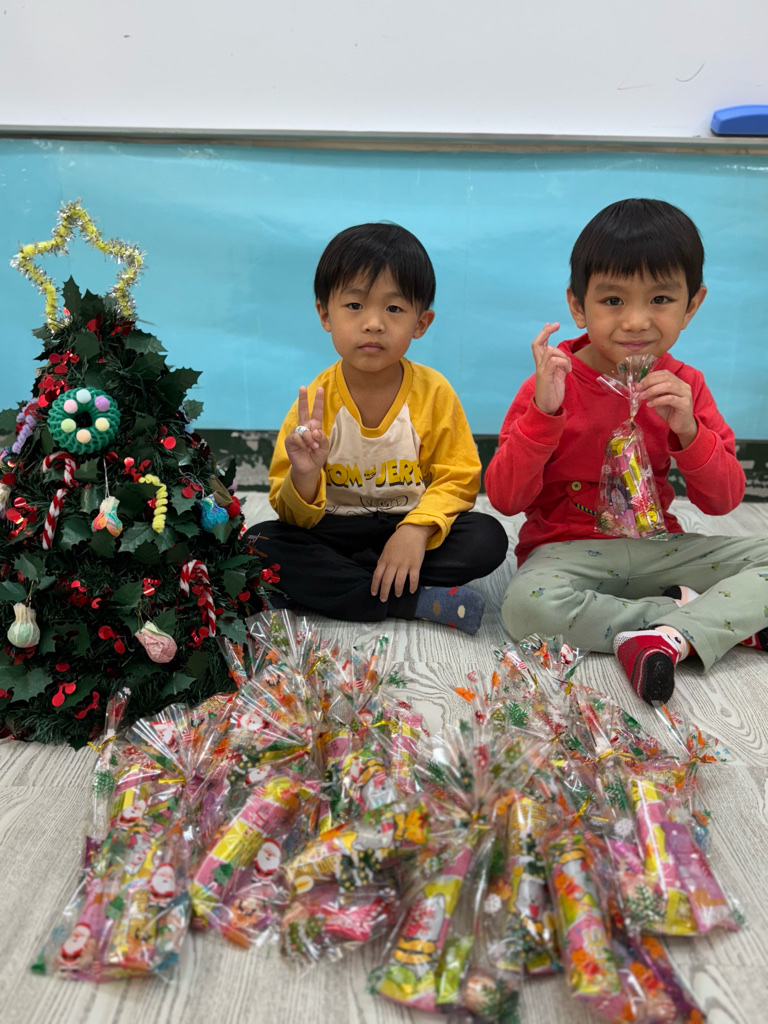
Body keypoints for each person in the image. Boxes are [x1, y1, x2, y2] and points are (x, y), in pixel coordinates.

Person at [486, 198, 768, 702]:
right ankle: (694, 618)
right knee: (527, 607)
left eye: (660, 299)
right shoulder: (552, 382)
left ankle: (667, 633)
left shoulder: (686, 386)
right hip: (567, 554)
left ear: (692, 305)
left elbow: (723, 501)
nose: (636, 321)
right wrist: (543, 414)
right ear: (578, 306)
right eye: (613, 300)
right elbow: (506, 499)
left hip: (660, 548)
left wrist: (690, 431)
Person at [247, 222, 508, 633]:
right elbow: (292, 514)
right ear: (325, 314)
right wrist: (305, 476)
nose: (373, 323)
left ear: (421, 322)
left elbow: (458, 478)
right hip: (334, 531)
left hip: (408, 524)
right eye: (354, 305)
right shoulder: (314, 403)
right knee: (259, 542)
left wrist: (416, 531)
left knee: (487, 537)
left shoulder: (434, 392)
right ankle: (412, 600)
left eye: (394, 309)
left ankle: (335, 585)